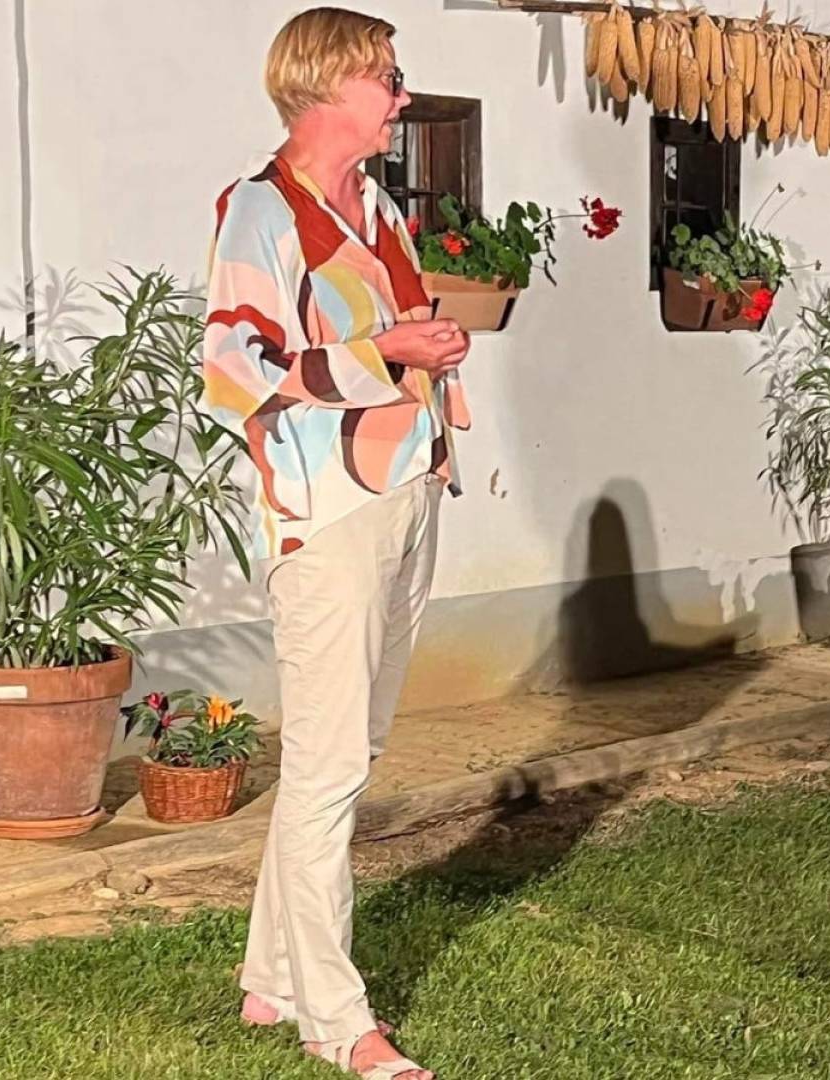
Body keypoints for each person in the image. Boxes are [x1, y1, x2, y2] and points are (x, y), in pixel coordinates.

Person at [201, 8, 470, 1077]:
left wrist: (427, 348)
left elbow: (390, 339)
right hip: (326, 512)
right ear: (325, 85)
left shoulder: (380, 207)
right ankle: (339, 1023)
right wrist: (386, 351)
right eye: (388, 79)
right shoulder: (261, 211)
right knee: (327, 769)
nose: (403, 97)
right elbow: (234, 370)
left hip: (409, 492)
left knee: (349, 752)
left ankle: (272, 976)